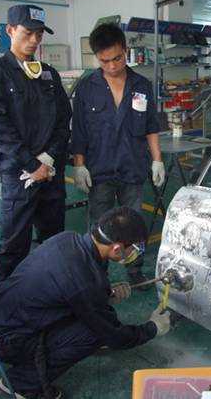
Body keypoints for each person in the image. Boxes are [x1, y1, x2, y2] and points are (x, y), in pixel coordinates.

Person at [0, 207, 171, 399]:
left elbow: (71, 287)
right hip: (7, 342)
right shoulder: (85, 282)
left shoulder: (69, 239)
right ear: (116, 248)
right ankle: (20, 383)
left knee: (96, 318)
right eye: (135, 249)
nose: (135, 253)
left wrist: (106, 293)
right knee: (95, 333)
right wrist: (152, 328)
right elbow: (115, 336)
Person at [0, 5, 72, 282]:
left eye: (39, 34)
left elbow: (63, 119)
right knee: (15, 241)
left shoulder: (49, 74)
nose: (34, 40)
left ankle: (51, 289)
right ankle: (7, 298)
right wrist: (32, 164)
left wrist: (49, 159)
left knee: (54, 238)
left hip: (50, 171)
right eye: (28, 33)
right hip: (19, 174)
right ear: (10, 30)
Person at [71, 24, 165, 288]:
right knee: (99, 226)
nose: (112, 66)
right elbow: (79, 130)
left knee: (134, 223)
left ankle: (135, 270)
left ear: (126, 50)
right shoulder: (87, 87)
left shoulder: (142, 85)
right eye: (104, 61)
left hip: (132, 167)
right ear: (96, 57)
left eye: (117, 58)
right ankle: (96, 274)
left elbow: (151, 126)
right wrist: (79, 165)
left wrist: (157, 159)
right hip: (99, 169)